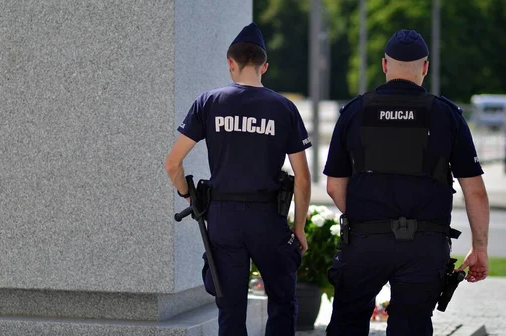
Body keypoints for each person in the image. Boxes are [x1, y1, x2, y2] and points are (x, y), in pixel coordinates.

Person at [323, 29, 490, 336]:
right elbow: (475, 191)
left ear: (385, 65)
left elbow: (334, 186)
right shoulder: (447, 115)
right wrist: (479, 248)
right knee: (411, 328)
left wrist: (366, 218)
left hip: (364, 244)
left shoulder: (354, 111)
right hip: (425, 248)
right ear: (425, 67)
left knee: (347, 325)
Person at [164, 23, 312, 336]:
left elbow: (173, 162)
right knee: (283, 303)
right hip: (268, 221)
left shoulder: (208, 103)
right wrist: (298, 227)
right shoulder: (284, 108)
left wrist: (188, 196)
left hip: (223, 221)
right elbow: (302, 178)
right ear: (265, 67)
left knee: (230, 312)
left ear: (231, 63)